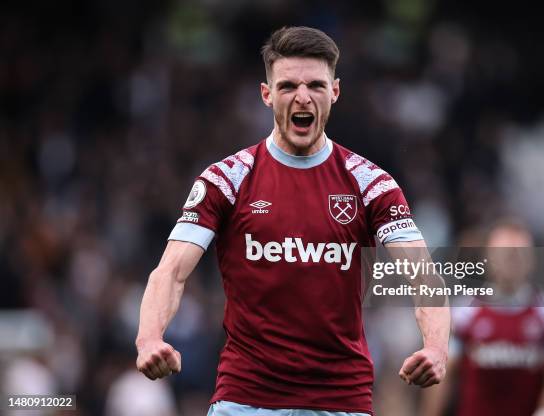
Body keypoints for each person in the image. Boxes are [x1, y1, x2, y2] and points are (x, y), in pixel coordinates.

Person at [135, 26, 449, 416]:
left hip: (341, 402)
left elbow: (424, 276)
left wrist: (436, 347)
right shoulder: (227, 179)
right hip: (246, 400)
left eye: (316, 85)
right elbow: (170, 272)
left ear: (334, 92)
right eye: (287, 87)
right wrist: (149, 338)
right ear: (267, 95)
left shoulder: (371, 184)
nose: (302, 97)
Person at [421, 219, 544, 416]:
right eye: (505, 253)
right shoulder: (463, 313)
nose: (512, 261)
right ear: (489, 257)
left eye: (518, 253)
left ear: (532, 259)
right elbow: (443, 376)